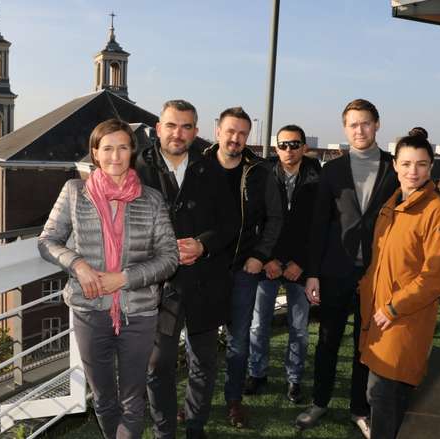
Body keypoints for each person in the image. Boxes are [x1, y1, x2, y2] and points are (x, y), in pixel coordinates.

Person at [38, 118, 178, 439]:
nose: (116, 156)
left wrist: (125, 279)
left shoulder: (152, 199)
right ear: (95, 154)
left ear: (132, 152)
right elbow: (47, 241)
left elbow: (169, 258)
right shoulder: (74, 192)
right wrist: (78, 265)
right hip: (89, 309)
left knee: (132, 398)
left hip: (139, 312)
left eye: (123, 148)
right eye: (108, 148)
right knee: (102, 397)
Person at [296, 99, 398, 438]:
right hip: (334, 271)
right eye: (353, 124)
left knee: (364, 347)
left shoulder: (395, 168)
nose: (359, 130)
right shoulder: (332, 171)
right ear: (345, 128)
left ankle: (360, 408)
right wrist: (312, 272)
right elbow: (318, 225)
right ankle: (319, 401)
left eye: (365, 123)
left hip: (376, 274)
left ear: (377, 125)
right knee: (327, 341)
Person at [136, 100, 236, 439]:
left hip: (204, 280)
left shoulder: (212, 171)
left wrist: (203, 245)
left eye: (186, 126)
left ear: (196, 131)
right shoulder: (137, 168)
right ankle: (164, 431)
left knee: (204, 359)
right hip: (159, 285)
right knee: (156, 363)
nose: (178, 133)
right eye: (171, 125)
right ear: (157, 128)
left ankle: (195, 425)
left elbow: (230, 223)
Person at [359, 133, 440, 439]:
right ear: (395, 165)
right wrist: (366, 288)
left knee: (384, 396)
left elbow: (436, 276)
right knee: (381, 397)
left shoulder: (437, 211)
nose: (412, 171)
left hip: (402, 319)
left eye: (421, 164)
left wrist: (393, 307)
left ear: (431, 167)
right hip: (378, 315)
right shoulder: (394, 204)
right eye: (406, 164)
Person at [202, 107, 282, 427]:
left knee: (238, 341)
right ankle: (199, 400)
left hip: (243, 271)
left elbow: (275, 218)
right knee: (203, 340)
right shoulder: (199, 167)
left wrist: (260, 255)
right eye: (231, 131)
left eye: (242, 133)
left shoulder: (261, 172)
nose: (236, 138)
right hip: (205, 271)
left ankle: (233, 400)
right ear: (218, 130)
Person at [247, 124, 320, 404]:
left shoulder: (317, 179)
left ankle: (294, 379)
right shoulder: (263, 176)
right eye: (284, 144)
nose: (289, 149)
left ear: (304, 147)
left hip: (298, 268)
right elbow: (255, 222)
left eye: (294, 144)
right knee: (258, 324)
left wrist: (299, 263)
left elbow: (317, 227)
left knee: (299, 328)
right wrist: (268, 260)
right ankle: (257, 372)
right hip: (269, 265)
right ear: (276, 148)